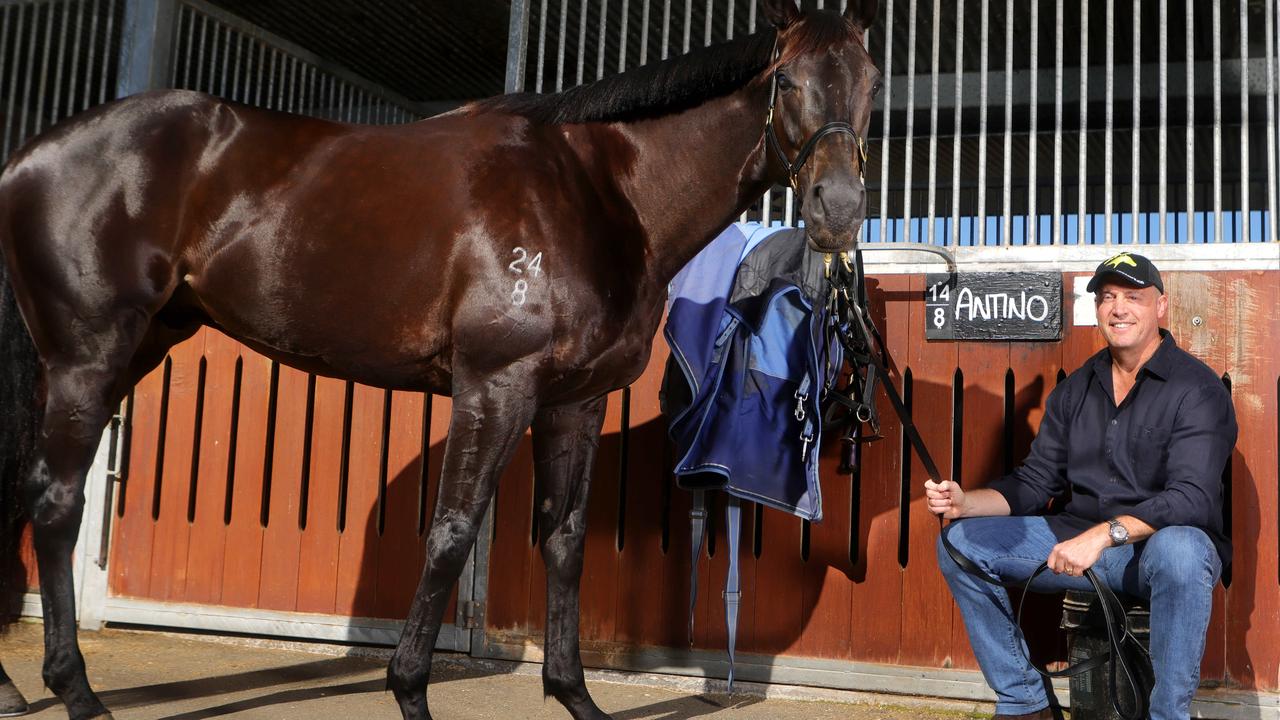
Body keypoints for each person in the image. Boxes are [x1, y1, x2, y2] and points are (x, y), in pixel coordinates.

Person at [926, 252, 1236, 720]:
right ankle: (1025, 700)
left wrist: (1101, 535)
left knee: (1183, 551)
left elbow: (1190, 498)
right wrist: (968, 502)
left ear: (1161, 306)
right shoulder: (1076, 390)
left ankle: (1168, 714)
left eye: (1133, 297)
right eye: (1108, 297)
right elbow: (1034, 482)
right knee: (959, 543)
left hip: (1152, 550)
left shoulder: (1197, 388)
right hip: (1076, 545)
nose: (1119, 309)